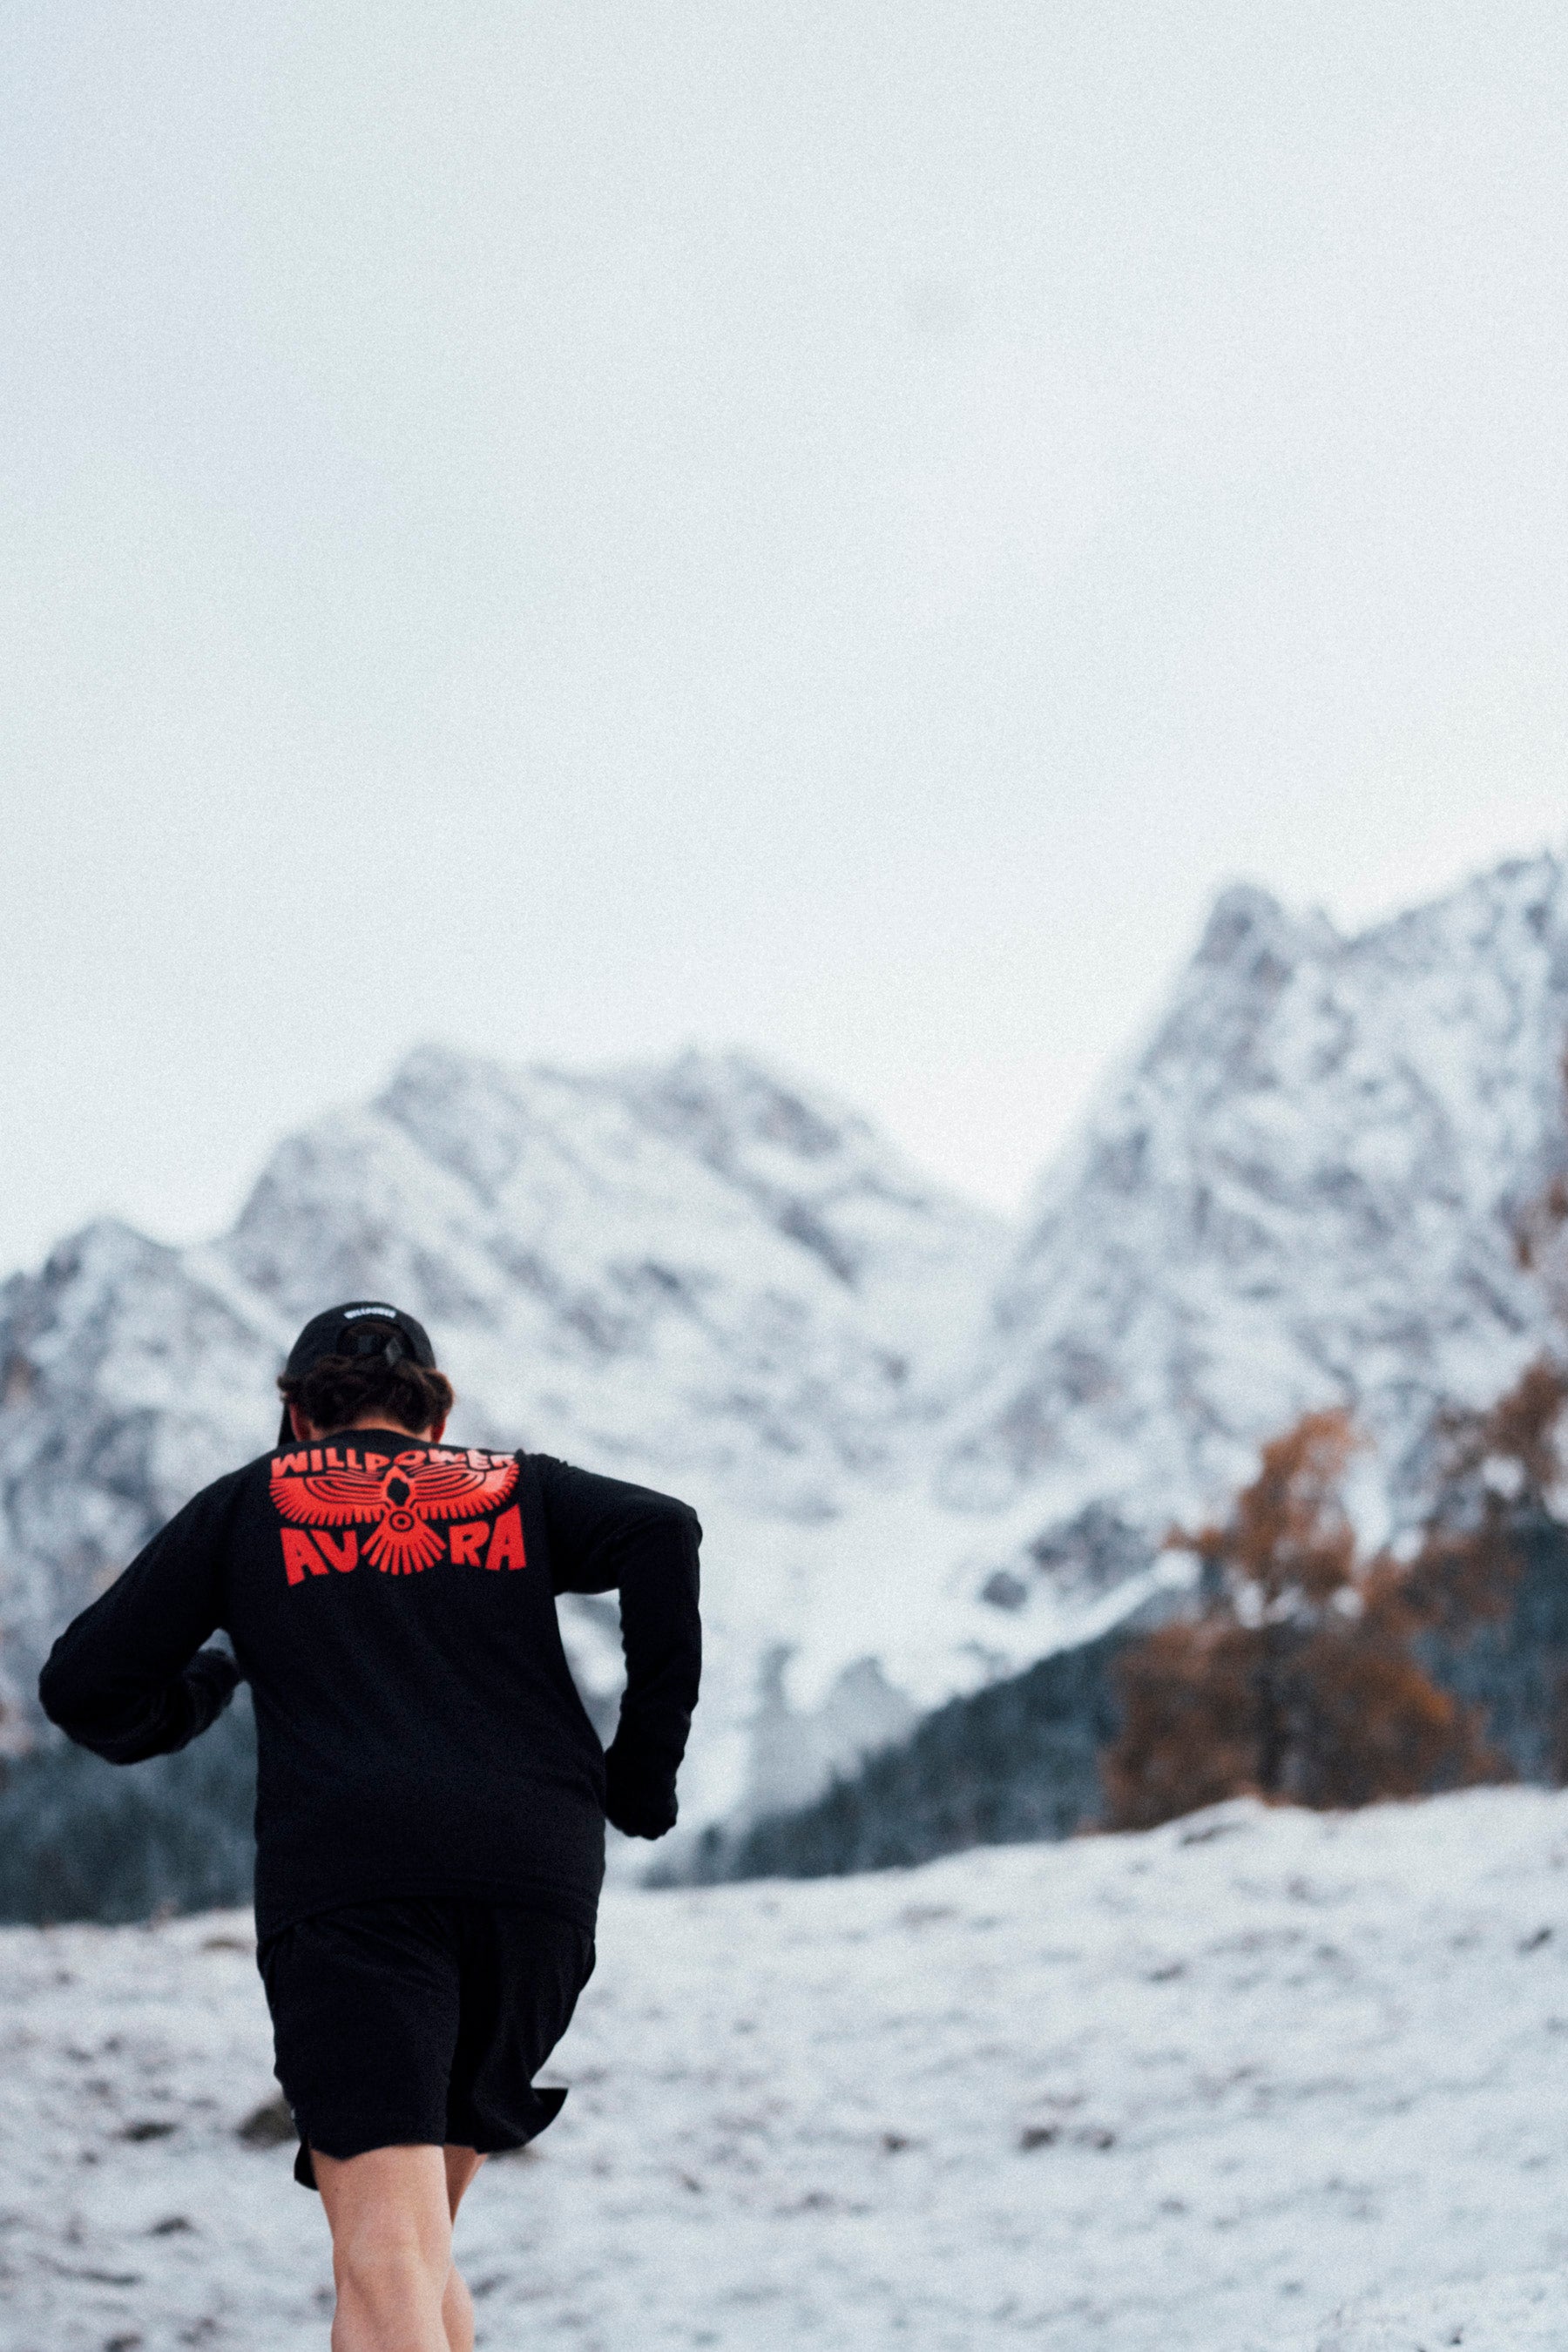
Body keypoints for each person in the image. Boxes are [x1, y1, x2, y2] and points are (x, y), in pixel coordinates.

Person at [38, 1300, 702, 2352]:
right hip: (537, 1894)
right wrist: (642, 1773)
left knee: (384, 2263)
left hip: (358, 1897)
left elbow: (82, 1686)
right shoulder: (510, 1487)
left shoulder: (253, 1503)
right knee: (411, 2260)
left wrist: (211, 1683)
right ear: (436, 1421)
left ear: (299, 1418)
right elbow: (662, 1528)